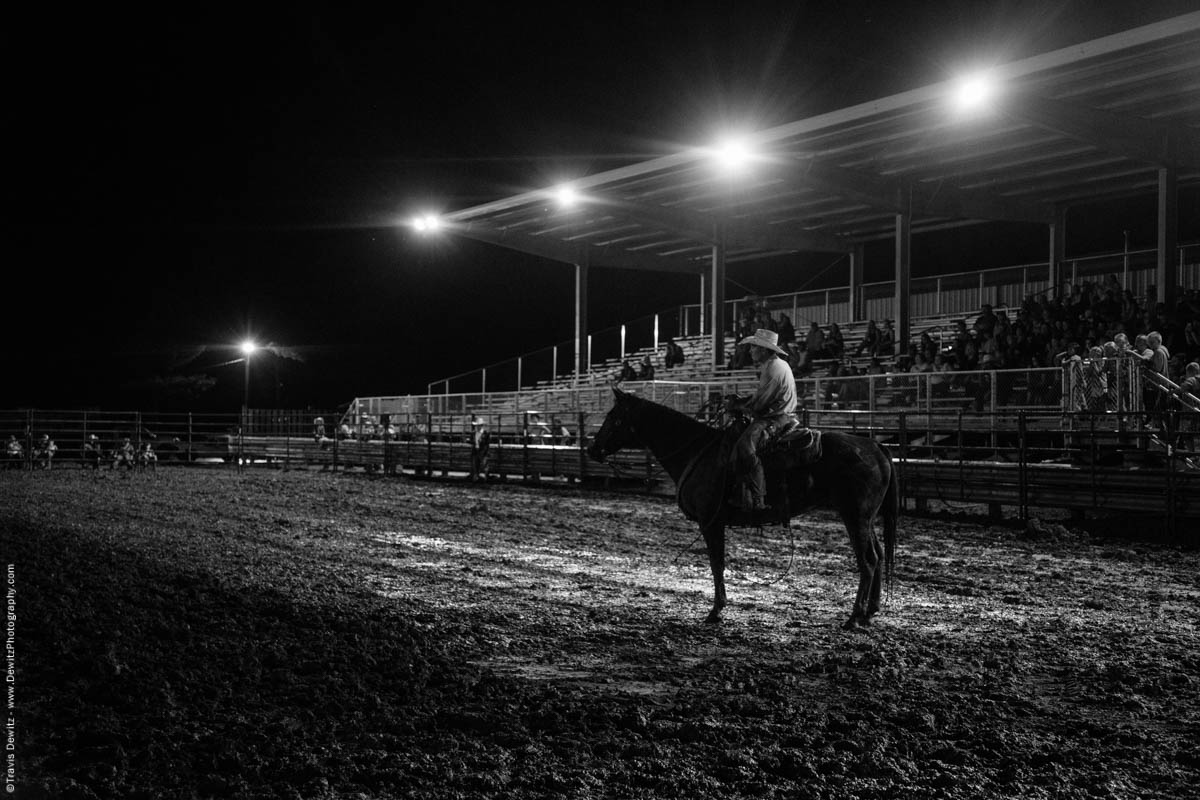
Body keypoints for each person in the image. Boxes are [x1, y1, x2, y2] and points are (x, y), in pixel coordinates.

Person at [725, 328, 797, 512]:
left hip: (775, 418)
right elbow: (761, 396)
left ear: (764, 350)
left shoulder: (773, 369)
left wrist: (737, 406)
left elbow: (759, 405)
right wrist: (743, 400)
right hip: (780, 415)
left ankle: (758, 499)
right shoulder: (776, 365)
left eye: (753, 347)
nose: (750, 351)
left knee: (744, 446)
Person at [469, 415, 490, 481]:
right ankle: (476, 476)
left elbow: (487, 443)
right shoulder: (473, 433)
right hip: (476, 450)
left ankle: (485, 477)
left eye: (479, 425)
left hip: (483, 451)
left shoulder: (486, 433)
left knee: (484, 464)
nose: (477, 427)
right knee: (475, 465)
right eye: (477, 425)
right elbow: (472, 441)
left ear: (481, 426)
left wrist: (485, 451)